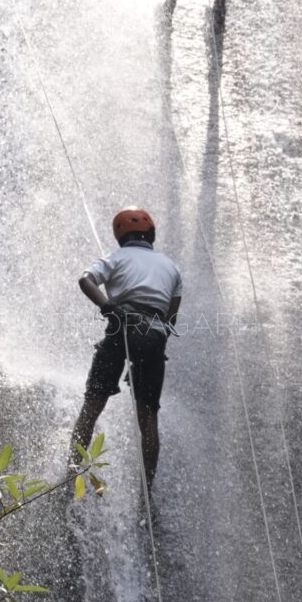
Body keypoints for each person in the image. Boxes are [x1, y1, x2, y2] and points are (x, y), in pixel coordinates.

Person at [70, 206, 184, 488]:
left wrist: (109, 307)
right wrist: (152, 346)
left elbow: (86, 280)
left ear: (120, 237)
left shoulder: (117, 257)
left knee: (92, 405)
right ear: (151, 235)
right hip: (154, 334)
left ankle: (71, 473)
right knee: (148, 417)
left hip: (122, 325)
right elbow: (171, 318)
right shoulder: (172, 267)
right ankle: (148, 490)